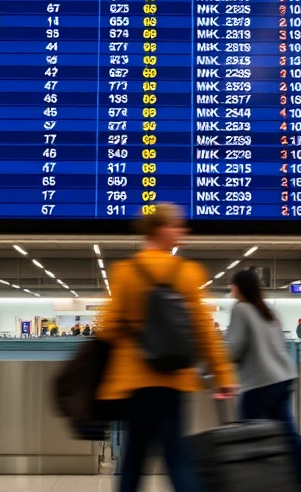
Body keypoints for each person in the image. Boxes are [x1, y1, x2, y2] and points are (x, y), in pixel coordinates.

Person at [98, 203, 237, 492]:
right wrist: (222, 376)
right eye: (176, 225)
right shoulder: (187, 272)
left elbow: (107, 327)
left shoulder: (125, 272)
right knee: (178, 459)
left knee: (133, 461)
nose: (182, 230)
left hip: (133, 384)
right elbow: (204, 331)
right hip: (173, 380)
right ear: (159, 229)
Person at [227, 270, 301, 491]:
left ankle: (257, 484)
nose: (230, 289)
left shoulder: (241, 310)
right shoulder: (269, 311)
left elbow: (233, 349)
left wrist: (209, 371)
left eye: (232, 285)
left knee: (250, 439)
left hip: (259, 383)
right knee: (286, 435)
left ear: (240, 287)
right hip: (283, 379)